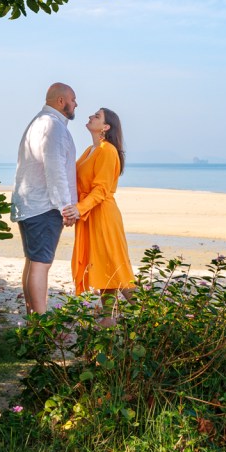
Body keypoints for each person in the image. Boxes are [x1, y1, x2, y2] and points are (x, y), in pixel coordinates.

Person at [10, 82, 80, 314]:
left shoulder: (39, 122)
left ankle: (34, 320)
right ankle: (41, 324)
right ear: (61, 101)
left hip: (30, 204)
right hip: (44, 206)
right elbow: (55, 169)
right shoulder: (53, 126)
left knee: (33, 263)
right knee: (41, 264)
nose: (76, 104)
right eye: (73, 99)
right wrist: (65, 207)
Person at [70, 107, 134, 312]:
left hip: (103, 215)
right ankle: (108, 317)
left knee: (115, 265)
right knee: (105, 266)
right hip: (91, 215)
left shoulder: (108, 150)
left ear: (106, 127)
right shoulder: (91, 150)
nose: (90, 116)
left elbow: (101, 189)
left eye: (96, 116)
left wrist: (79, 209)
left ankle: (147, 313)